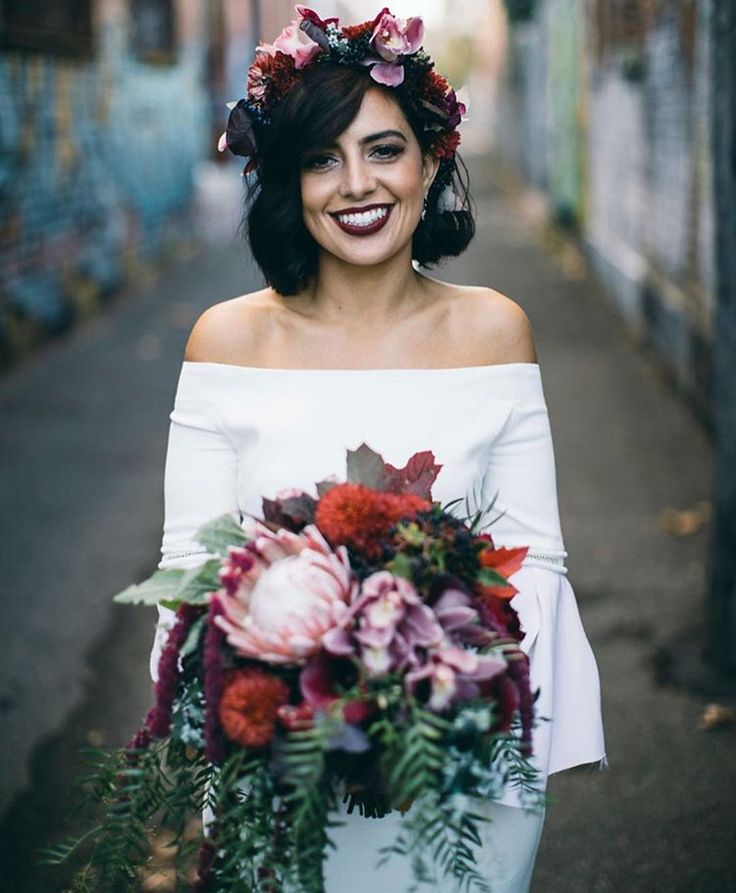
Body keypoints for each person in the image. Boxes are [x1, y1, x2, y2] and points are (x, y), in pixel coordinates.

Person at [149, 7, 606, 892]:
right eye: (322, 158)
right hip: (274, 771)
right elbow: (185, 582)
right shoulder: (224, 342)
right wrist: (271, 711)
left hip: (458, 769)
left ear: (431, 160)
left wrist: (413, 691)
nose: (356, 184)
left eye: (383, 149)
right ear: (288, 180)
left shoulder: (494, 330)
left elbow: (535, 573)